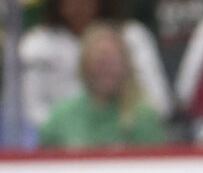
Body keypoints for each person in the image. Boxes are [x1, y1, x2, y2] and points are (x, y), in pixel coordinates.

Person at [19, 0, 173, 128]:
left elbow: (160, 103)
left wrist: (117, 127)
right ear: (58, 3)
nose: (79, 4)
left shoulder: (132, 36)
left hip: (126, 135)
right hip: (61, 142)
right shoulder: (37, 45)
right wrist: (71, 132)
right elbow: (28, 112)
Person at [38, 23, 170, 149]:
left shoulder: (144, 118)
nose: (106, 71)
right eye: (100, 62)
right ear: (84, 65)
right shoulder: (60, 119)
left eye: (113, 62)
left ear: (126, 66)